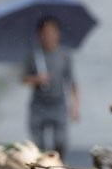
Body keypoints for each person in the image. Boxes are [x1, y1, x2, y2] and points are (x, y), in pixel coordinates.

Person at [22, 16, 79, 158]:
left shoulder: (64, 55)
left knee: (60, 142)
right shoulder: (34, 55)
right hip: (39, 104)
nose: (50, 36)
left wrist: (75, 106)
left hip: (58, 103)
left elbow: (72, 82)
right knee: (38, 144)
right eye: (46, 32)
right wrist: (36, 79)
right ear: (40, 34)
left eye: (53, 32)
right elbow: (24, 79)